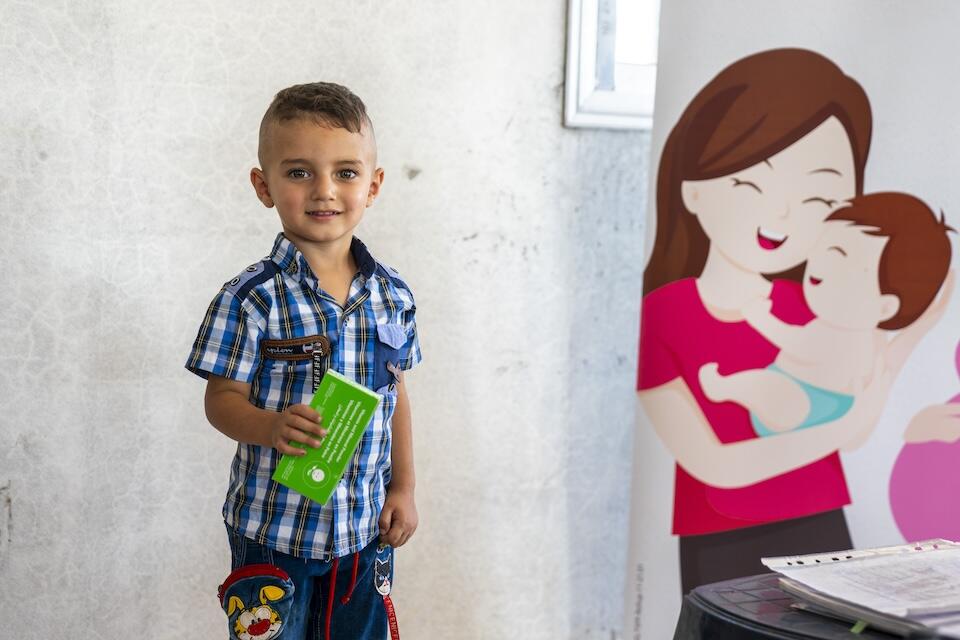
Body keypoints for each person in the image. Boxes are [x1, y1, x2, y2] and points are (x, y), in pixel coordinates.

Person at [636, 49, 950, 594]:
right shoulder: (664, 313)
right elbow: (714, 464)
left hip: (822, 521)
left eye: (819, 196)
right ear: (692, 185)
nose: (781, 216)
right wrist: (842, 428)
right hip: (722, 536)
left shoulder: (822, 299)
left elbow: (871, 376)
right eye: (748, 184)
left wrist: (927, 317)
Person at [185, 82, 420, 640]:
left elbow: (396, 396)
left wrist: (404, 488)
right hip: (273, 535)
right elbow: (220, 401)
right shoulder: (249, 299)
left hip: (363, 534)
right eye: (298, 173)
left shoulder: (393, 296)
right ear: (263, 186)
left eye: (345, 172)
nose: (324, 191)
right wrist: (270, 425)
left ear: (374, 184)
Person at [700, 193, 953, 436]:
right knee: (773, 387)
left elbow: (797, 343)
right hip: (826, 403)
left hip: (806, 401)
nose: (818, 260)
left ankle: (725, 387)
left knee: (773, 389)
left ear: (885, 307)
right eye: (823, 249)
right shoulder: (852, 334)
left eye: (840, 256)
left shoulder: (844, 338)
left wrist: (760, 319)